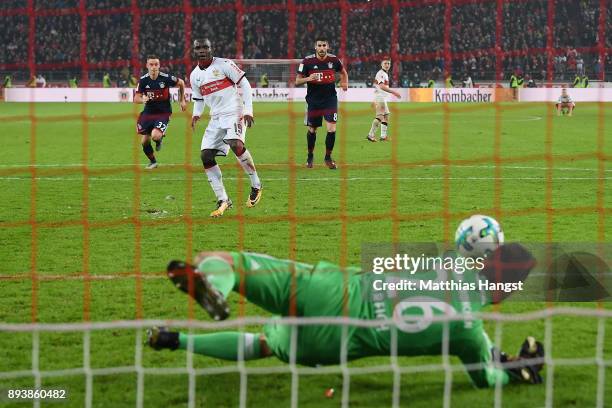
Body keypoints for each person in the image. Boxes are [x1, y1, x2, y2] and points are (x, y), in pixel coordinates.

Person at [147, 242, 545, 388]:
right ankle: (175, 340)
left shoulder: (447, 261)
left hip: (330, 288)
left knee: (223, 260)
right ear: (508, 292)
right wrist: (505, 370)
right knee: (268, 343)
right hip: (334, 339)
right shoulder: (469, 334)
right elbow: (483, 379)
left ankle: (216, 284)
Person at [190, 38, 262, 218]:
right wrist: (196, 114)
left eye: (205, 47)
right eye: (198, 48)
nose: (202, 50)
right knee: (205, 155)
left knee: (235, 143)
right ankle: (223, 199)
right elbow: (199, 99)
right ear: (194, 51)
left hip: (234, 111)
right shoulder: (194, 75)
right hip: (216, 117)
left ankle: (256, 185)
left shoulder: (224, 64)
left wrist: (248, 110)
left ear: (211, 48)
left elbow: (244, 84)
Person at [296, 36, 349, 169]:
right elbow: (297, 81)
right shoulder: (307, 61)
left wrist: (344, 82)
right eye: (319, 45)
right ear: (315, 47)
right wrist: (309, 78)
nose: (322, 48)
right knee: (312, 130)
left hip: (330, 100)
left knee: (331, 129)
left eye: (324, 45)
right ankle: (310, 156)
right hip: (313, 101)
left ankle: (328, 157)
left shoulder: (334, 60)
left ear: (328, 46)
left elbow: (343, 72)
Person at [133, 55, 186, 169]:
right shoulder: (143, 80)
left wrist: (182, 100)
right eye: (151, 64)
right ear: (147, 66)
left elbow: (181, 83)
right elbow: (136, 98)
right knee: (144, 142)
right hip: (148, 113)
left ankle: (159, 138)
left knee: (155, 136)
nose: (153, 67)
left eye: (156, 64)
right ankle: (153, 162)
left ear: (159, 65)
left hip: (163, 113)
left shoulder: (165, 78)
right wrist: (143, 99)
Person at [366, 59, 401, 142]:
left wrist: (375, 99)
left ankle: (383, 136)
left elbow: (377, 87)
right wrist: (394, 92)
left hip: (381, 98)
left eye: (389, 63)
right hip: (380, 98)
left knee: (386, 116)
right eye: (385, 63)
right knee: (380, 117)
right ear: (381, 64)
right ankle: (370, 135)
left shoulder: (384, 73)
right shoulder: (381, 73)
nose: (387, 65)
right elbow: (381, 86)